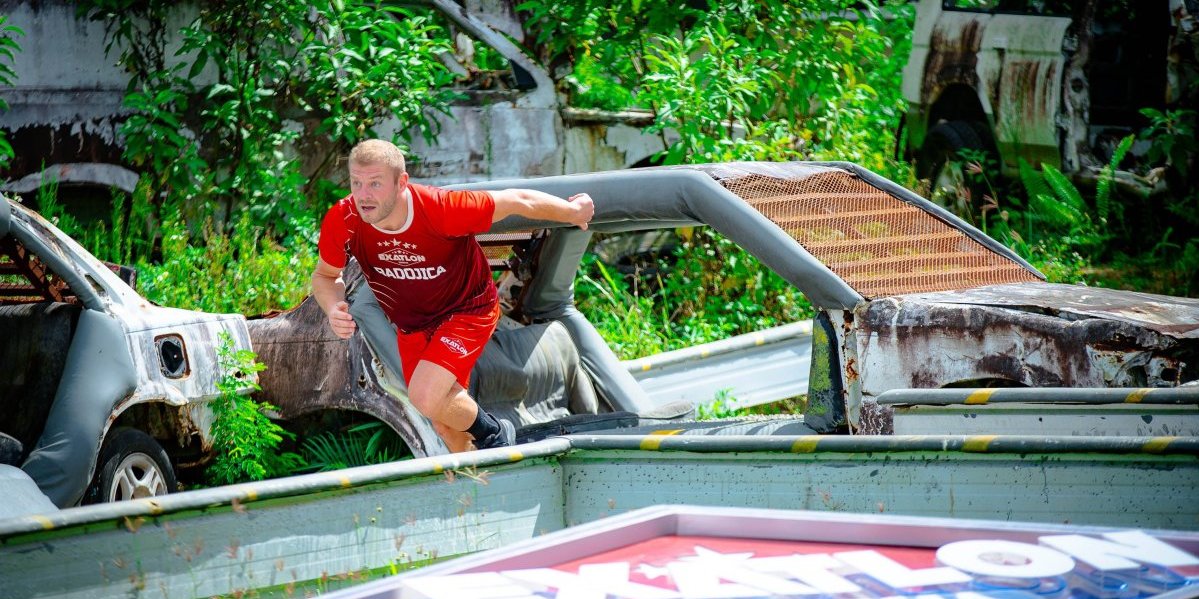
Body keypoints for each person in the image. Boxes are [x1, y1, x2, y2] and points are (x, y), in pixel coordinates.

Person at [312, 139, 594, 452]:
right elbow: (325, 276)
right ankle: (472, 486)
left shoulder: (439, 209)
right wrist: (333, 305)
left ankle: (495, 432)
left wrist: (572, 211)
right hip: (413, 325)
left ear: (401, 183)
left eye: (375, 184)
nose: (363, 195)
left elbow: (517, 200)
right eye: (357, 183)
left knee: (424, 397)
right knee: (444, 422)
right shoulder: (345, 219)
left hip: (467, 310)